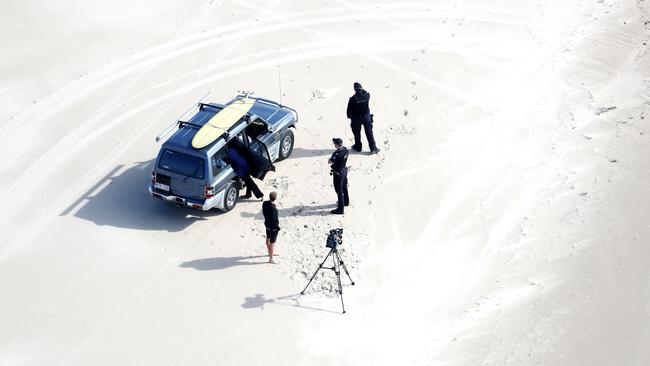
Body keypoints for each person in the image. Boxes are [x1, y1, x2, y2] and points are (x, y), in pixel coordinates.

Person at [346, 82, 379, 154]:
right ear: (361, 88)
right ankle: (373, 148)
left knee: (357, 133)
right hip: (366, 118)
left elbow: (348, 112)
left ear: (354, 89)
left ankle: (358, 147)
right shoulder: (366, 96)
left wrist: (350, 117)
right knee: (369, 132)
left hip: (356, 119)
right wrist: (361, 90)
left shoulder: (352, 99)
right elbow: (367, 93)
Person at [328, 138, 349, 215]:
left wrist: (331, 159)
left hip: (338, 173)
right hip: (344, 170)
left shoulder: (336, 154)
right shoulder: (346, 150)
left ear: (336, 145)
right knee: (344, 187)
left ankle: (340, 209)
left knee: (339, 191)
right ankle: (346, 201)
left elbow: (330, 161)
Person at [262, 191, 280, 263]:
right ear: (275, 198)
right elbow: (275, 220)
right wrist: (277, 228)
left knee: (268, 239)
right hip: (273, 228)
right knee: (272, 243)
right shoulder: (274, 209)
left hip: (267, 225)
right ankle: (271, 258)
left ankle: (269, 252)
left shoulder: (265, 203)